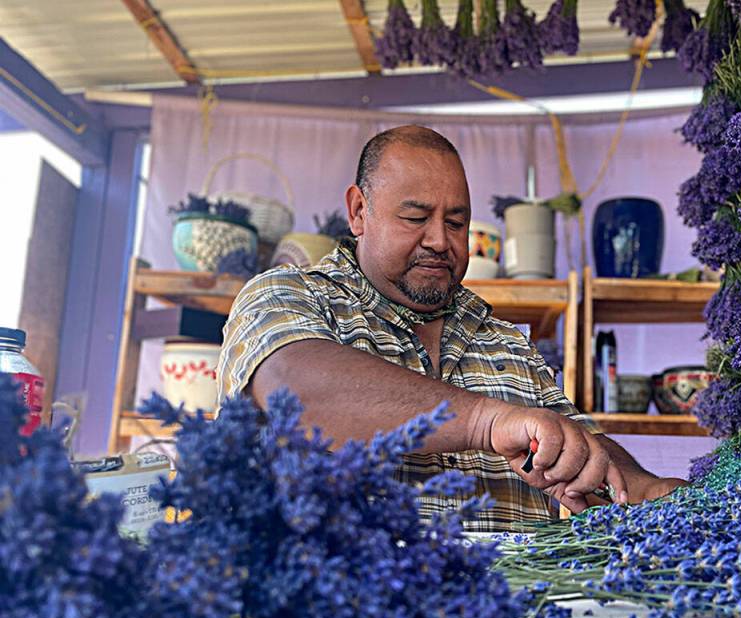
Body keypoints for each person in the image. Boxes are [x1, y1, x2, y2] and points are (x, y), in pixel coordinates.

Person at [218, 125, 685, 531]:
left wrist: (638, 486)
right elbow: (295, 389)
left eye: (457, 222)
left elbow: (578, 443)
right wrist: (487, 420)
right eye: (416, 217)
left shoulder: (504, 341)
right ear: (359, 211)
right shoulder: (287, 294)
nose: (440, 240)